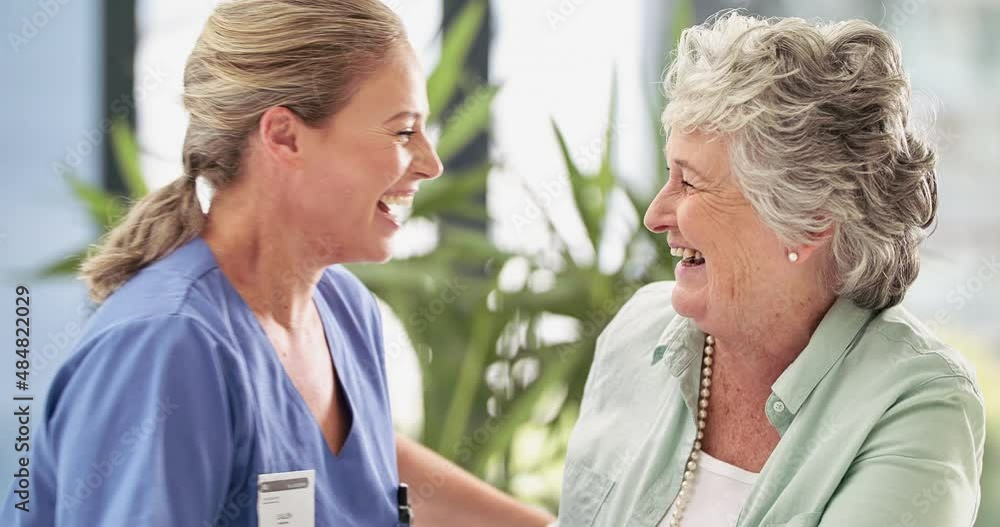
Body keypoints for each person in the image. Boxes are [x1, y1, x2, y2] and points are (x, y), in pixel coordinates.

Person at [0, 1, 554, 525]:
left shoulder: (343, 309)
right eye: (403, 130)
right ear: (285, 136)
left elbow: (362, 468)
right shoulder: (168, 345)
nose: (430, 163)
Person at [556, 12, 985, 527]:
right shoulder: (638, 332)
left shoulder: (916, 406)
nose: (655, 214)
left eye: (689, 183)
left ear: (807, 221)